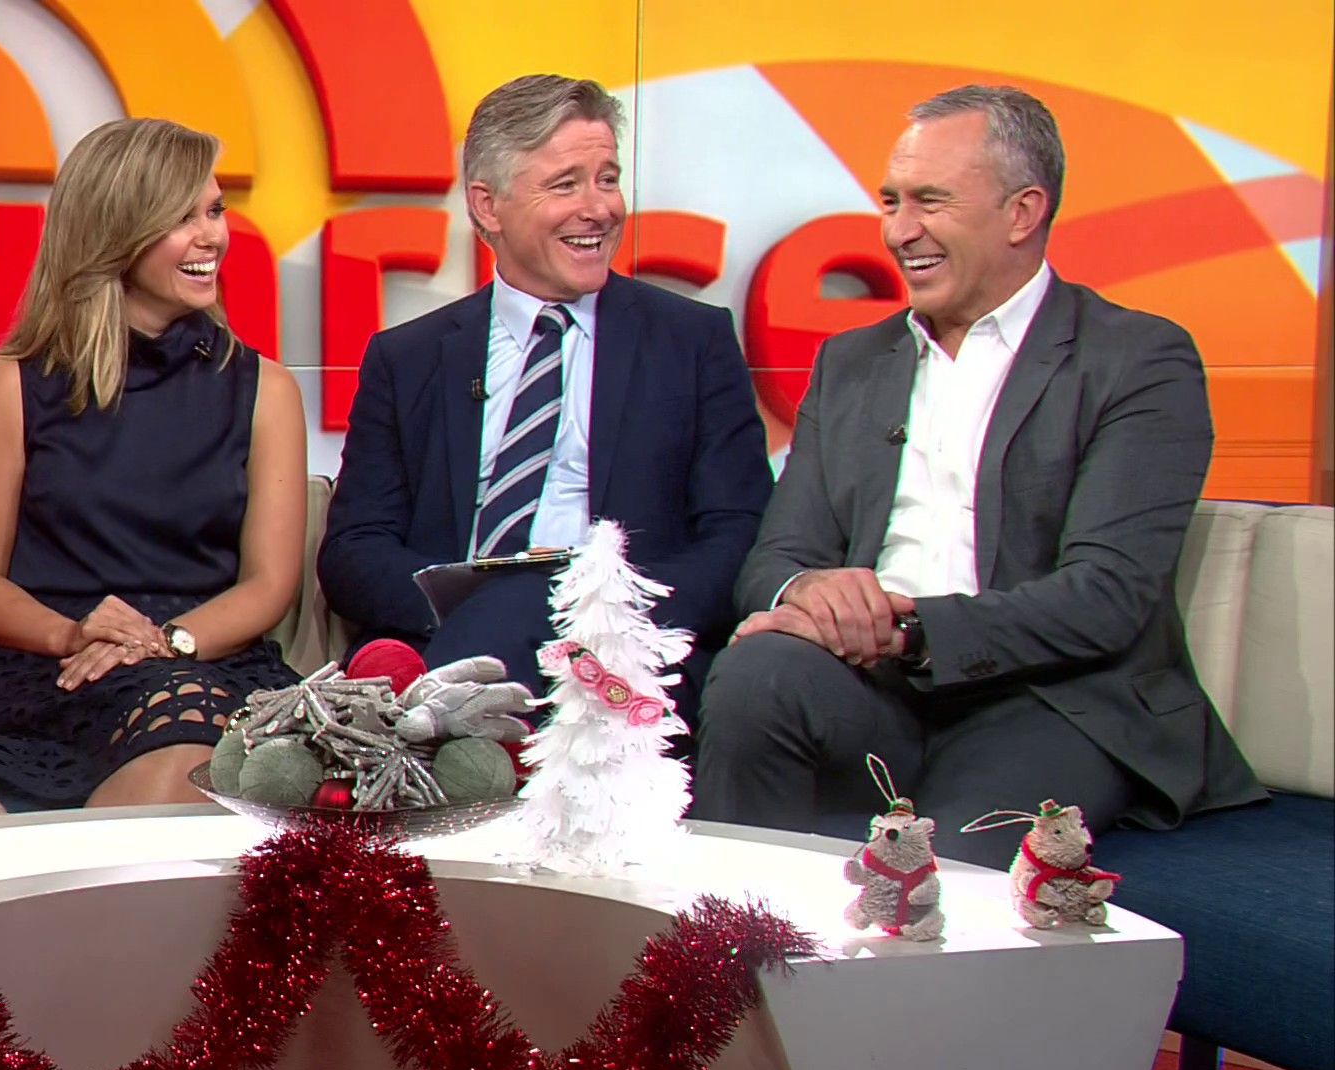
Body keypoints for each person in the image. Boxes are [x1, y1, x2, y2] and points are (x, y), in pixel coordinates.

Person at [692, 85, 1265, 865]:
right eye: (891, 201)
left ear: (1022, 213)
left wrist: (907, 630)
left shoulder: (1135, 359)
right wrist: (809, 594)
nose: (899, 231)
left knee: (947, 874)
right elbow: (776, 558)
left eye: (930, 201)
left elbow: (1106, 595)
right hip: (873, 688)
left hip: (1051, 701)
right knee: (756, 673)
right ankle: (734, 930)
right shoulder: (852, 362)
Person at [318, 74, 772, 704]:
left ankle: (464, 725)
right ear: (487, 206)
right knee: (506, 616)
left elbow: (738, 535)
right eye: (565, 185)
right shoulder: (409, 359)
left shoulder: (692, 342)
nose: (600, 208)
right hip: (450, 645)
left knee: (526, 617)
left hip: (625, 664)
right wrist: (479, 605)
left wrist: (602, 616)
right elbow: (355, 551)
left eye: (607, 179)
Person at [0, 118, 307, 808]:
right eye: (182, 218)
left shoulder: (267, 390)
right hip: (59, 665)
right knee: (185, 732)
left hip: (210, 654)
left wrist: (168, 642)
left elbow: (269, 583)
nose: (212, 236)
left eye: (214, 210)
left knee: (194, 721)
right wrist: (73, 633)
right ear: (117, 231)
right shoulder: (16, 386)